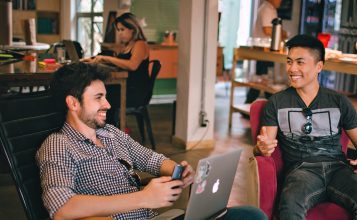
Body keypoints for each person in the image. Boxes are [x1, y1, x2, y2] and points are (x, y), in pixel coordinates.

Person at [37, 63, 267, 220]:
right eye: (98, 98)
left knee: (251, 215)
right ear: (73, 103)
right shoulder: (59, 144)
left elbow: (150, 159)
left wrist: (177, 170)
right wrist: (143, 198)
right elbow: (62, 208)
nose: (107, 104)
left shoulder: (111, 133)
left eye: (105, 96)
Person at [254, 35, 357, 220]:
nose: (292, 69)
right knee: (290, 204)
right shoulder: (277, 102)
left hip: (339, 168)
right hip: (301, 170)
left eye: (300, 62)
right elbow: (263, 147)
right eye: (289, 62)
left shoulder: (339, 102)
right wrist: (261, 148)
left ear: (319, 67)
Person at [82, 13, 151, 124]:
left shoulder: (140, 44)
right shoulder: (128, 45)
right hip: (127, 87)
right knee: (98, 93)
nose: (119, 33)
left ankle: (108, 130)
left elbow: (132, 65)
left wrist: (107, 58)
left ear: (132, 29)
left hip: (135, 92)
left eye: (122, 29)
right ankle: (104, 128)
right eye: (118, 30)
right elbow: (120, 64)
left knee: (100, 96)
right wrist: (97, 60)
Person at [245, 0, 287, 104]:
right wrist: (282, 32)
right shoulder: (267, 9)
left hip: (266, 51)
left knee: (264, 80)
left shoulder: (269, 8)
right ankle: (251, 106)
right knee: (263, 80)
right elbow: (267, 30)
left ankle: (268, 108)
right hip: (264, 51)